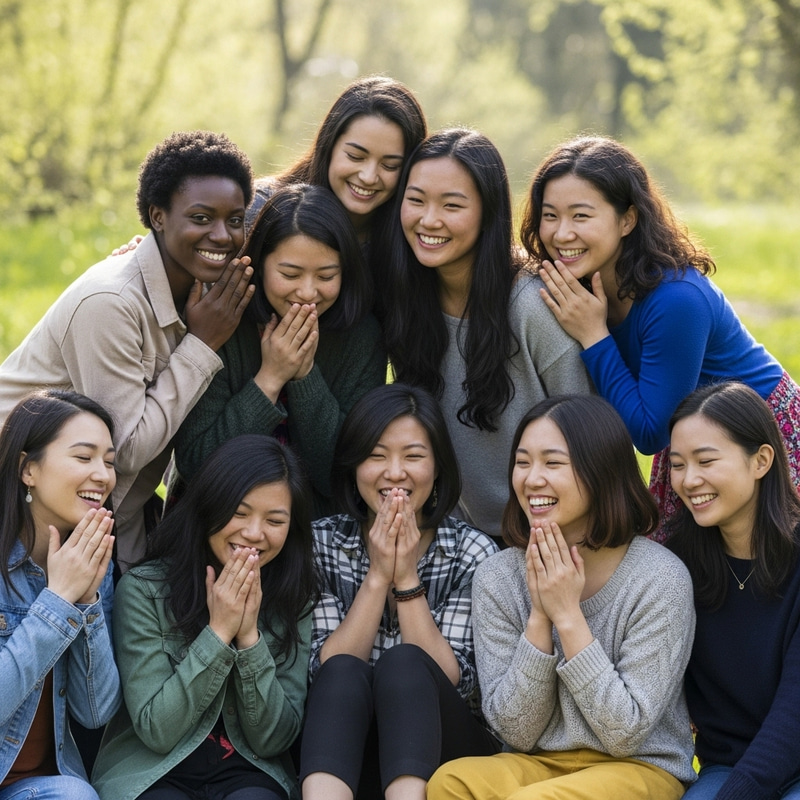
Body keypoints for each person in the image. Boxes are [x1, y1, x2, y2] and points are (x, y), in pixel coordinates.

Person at [0, 131, 256, 568]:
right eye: (201, 218)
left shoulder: (202, 291)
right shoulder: (111, 303)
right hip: (22, 507)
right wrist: (201, 344)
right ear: (157, 216)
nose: (222, 235)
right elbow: (124, 448)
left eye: (234, 220)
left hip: (105, 513)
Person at [522, 135, 800, 531]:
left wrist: (594, 335)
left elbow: (650, 432)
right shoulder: (582, 284)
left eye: (581, 216)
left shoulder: (676, 300)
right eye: (550, 216)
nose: (561, 233)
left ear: (627, 220)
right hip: (691, 445)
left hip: (759, 441)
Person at [428, 394, 697, 800]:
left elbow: (624, 732)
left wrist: (568, 616)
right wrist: (540, 614)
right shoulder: (498, 577)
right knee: (449, 783)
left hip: (640, 767)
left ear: (601, 470)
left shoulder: (659, 577)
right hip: (539, 762)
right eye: (522, 462)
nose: (532, 479)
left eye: (553, 463)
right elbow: (514, 729)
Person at [382, 128, 592, 543]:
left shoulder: (532, 306)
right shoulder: (406, 301)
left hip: (547, 536)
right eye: (416, 200)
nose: (429, 220)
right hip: (453, 538)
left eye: (452, 205)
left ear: (488, 213)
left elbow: (587, 442)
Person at [300, 383, 500, 800]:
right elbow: (320, 675)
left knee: (406, 664)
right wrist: (377, 577)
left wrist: (407, 578)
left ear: (438, 467)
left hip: (445, 754)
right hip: (346, 753)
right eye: (376, 456)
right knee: (340, 670)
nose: (395, 473)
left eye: (413, 456)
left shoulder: (471, 550)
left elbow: (455, 683)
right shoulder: (322, 543)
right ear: (354, 467)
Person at [92, 435, 317, 800]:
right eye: (239, 513)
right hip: (151, 771)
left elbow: (275, 738)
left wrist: (249, 640)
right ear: (210, 506)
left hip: (250, 771)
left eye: (274, 520)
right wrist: (219, 632)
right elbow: (157, 731)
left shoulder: (294, 597)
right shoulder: (145, 589)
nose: (254, 533)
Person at [173, 184, 385, 517]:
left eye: (326, 275)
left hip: (317, 533)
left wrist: (304, 375)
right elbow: (196, 463)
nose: (308, 291)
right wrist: (269, 379)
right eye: (290, 274)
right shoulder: (224, 323)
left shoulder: (361, 337)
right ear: (259, 263)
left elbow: (343, 477)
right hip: (218, 523)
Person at [665, 382, 800, 800]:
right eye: (677, 464)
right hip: (726, 767)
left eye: (706, 461)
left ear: (760, 461)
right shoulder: (674, 565)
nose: (689, 480)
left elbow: (794, 713)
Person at [0, 390, 121, 800]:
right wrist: (58, 600)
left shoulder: (90, 564)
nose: (103, 475)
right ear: (27, 469)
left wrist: (86, 602)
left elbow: (96, 711)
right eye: (84, 457)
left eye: (109, 461)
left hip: (33, 787)